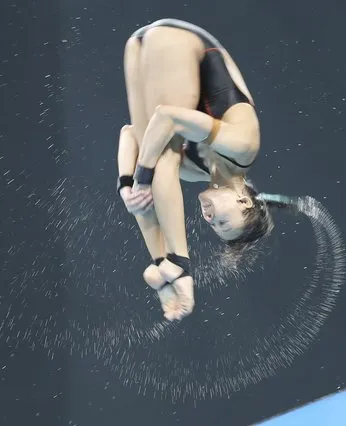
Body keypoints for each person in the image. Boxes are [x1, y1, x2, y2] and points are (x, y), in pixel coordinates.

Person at [116, 19, 278, 321]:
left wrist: (127, 185)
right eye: (224, 222)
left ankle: (162, 262)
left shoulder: (191, 171)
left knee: (155, 165)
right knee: (160, 157)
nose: (210, 219)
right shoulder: (244, 145)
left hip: (136, 47)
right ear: (244, 200)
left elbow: (130, 136)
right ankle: (178, 263)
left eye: (214, 227)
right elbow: (165, 118)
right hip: (179, 40)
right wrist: (141, 177)